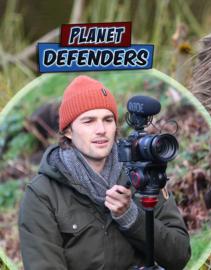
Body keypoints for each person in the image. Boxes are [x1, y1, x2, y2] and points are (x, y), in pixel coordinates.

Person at [18, 75, 191, 270]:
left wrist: (132, 217)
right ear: (68, 131)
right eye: (88, 121)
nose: (101, 130)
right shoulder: (42, 195)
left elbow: (179, 256)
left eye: (108, 119)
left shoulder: (143, 175)